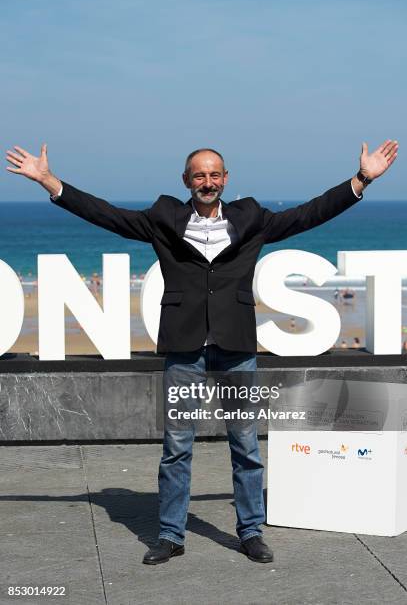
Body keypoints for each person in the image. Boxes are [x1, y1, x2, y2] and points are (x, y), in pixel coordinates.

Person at [5, 139, 398, 564]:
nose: (207, 182)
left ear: (225, 179)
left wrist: (360, 180)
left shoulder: (251, 218)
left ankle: (250, 532)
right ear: (186, 181)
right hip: (184, 348)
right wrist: (49, 182)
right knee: (177, 446)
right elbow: (108, 215)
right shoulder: (163, 217)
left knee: (245, 445)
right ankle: (171, 535)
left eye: (214, 175)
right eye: (199, 175)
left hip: (236, 349)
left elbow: (309, 214)